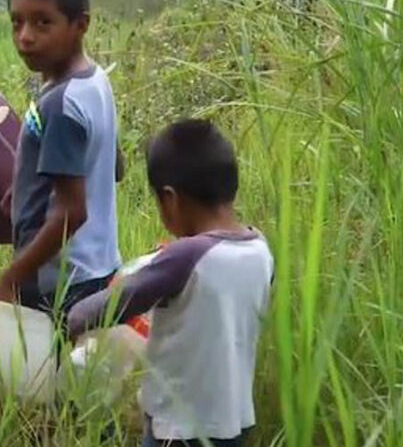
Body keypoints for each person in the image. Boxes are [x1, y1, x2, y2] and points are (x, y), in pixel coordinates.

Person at [67, 119, 275, 447]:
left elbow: (110, 306)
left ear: (170, 199)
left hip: (178, 431)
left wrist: (73, 318)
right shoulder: (261, 250)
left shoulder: (186, 256)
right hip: (234, 424)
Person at [0, 0, 122, 325]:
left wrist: (6, 283)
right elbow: (114, 166)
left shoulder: (60, 104)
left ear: (81, 25)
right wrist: (26, 186)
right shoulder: (94, 82)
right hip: (99, 269)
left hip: (60, 284)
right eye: (17, 22)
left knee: (43, 378)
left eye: (43, 22)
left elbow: (72, 212)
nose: (25, 36)